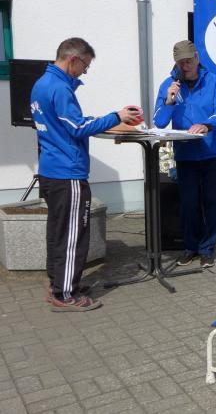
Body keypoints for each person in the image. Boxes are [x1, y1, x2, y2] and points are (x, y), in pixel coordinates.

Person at [31, 37, 142, 311]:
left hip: (51, 170)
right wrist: (116, 117)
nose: (85, 72)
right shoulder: (59, 88)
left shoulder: (42, 83)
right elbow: (77, 128)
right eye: (85, 66)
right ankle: (65, 294)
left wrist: (97, 120)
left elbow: (66, 123)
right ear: (73, 59)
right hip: (67, 173)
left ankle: (58, 284)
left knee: (58, 233)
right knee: (72, 237)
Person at [153, 40, 216, 268]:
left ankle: (207, 249)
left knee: (212, 203)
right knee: (188, 204)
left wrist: (206, 125)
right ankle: (190, 247)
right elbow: (159, 121)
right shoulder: (168, 84)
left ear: (197, 57)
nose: (185, 66)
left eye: (188, 61)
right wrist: (169, 101)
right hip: (186, 154)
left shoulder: (212, 80)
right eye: (181, 63)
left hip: (213, 152)